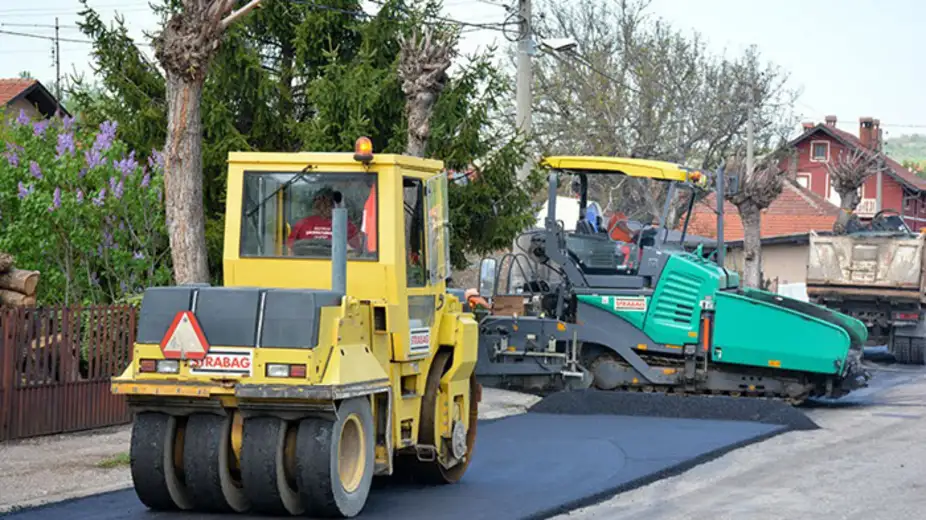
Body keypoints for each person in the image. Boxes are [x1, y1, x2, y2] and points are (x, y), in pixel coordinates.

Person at [288, 187, 362, 252]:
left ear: (334, 205)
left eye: (326, 202)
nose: (323, 206)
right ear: (314, 205)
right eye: (319, 202)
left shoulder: (346, 225)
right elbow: (289, 249)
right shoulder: (302, 224)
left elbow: (355, 251)